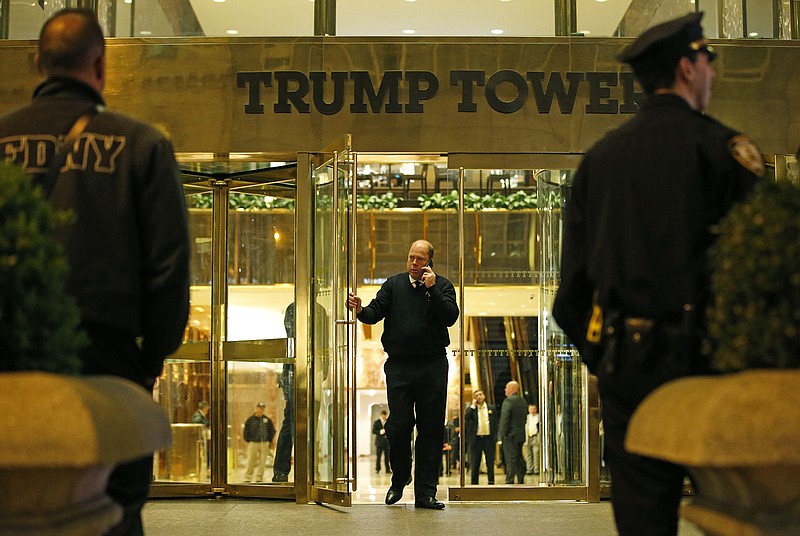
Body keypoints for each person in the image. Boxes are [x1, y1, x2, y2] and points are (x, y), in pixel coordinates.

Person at [551, 12, 763, 536]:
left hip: (631, 370)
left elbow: (570, 297)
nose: (712, 73)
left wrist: (611, 358)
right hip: (713, 370)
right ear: (688, 68)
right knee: (739, 516)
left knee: (643, 522)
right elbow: (764, 274)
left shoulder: (600, 161)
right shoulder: (724, 151)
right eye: (708, 63)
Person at [0, 9, 190, 535]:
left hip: (8, 364)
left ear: (39, 63)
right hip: (108, 363)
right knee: (114, 511)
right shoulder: (142, 145)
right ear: (101, 65)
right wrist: (148, 360)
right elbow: (169, 268)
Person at [347, 239, 459, 510]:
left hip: (432, 366)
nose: (414, 263)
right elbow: (375, 313)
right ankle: (399, 479)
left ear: (429, 262)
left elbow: (450, 317)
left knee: (430, 429)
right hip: (399, 366)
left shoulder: (442, 286)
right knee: (398, 425)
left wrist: (432, 291)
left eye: (420, 259)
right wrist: (361, 309)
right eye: (411, 257)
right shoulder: (393, 285)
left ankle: (425, 493)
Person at [272, 302, 295, 483]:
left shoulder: (319, 309)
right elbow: (292, 340)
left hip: (310, 374)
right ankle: (281, 470)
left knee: (307, 426)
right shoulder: (294, 308)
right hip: (294, 375)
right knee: (290, 425)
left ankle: (309, 471)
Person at [463, 390, 498, 485]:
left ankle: (491, 482)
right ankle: (474, 484)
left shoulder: (491, 408)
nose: (479, 397)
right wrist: (473, 406)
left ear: (484, 396)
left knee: (490, 462)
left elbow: (496, 423)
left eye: (480, 394)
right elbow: (466, 418)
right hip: (476, 439)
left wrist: (495, 436)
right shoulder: (472, 409)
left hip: (488, 439)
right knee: (475, 463)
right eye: (476, 395)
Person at [497, 380, 527, 484]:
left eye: (506, 387)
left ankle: (509, 480)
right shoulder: (523, 401)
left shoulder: (508, 401)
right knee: (519, 458)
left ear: (512, 389)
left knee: (510, 459)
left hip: (510, 435)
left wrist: (502, 435)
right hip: (520, 435)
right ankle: (520, 479)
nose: (505, 390)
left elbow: (505, 419)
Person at [243, 402, 276, 483]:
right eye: (260, 408)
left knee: (263, 461)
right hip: (253, 443)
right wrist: (248, 439)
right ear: (256, 408)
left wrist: (269, 440)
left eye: (262, 409)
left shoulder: (267, 420)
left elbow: (272, 430)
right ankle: (248, 476)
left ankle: (259, 477)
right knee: (251, 460)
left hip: (264, 443)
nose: (261, 410)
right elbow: (246, 430)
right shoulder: (250, 420)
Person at [523, 404, 540, 475]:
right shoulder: (526, 417)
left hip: (535, 437)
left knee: (536, 453)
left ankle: (536, 469)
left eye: (534, 409)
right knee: (528, 454)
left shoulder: (539, 417)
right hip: (528, 437)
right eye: (531, 409)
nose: (532, 411)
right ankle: (529, 469)